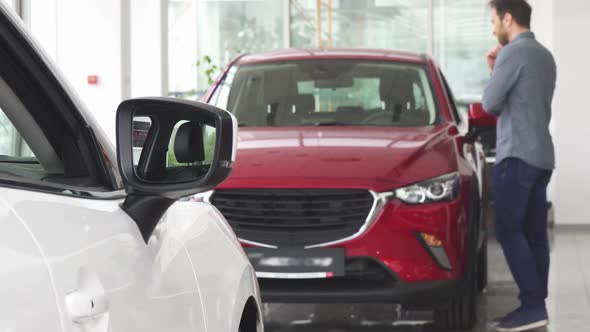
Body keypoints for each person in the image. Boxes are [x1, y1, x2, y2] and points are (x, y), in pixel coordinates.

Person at [482, 0, 556, 331]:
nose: (492, 26)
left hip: (517, 155)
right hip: (542, 156)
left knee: (509, 230)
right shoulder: (544, 55)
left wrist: (495, 68)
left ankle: (532, 305)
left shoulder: (512, 53)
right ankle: (536, 304)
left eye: (494, 19)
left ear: (508, 18)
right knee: (535, 234)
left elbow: (491, 103)